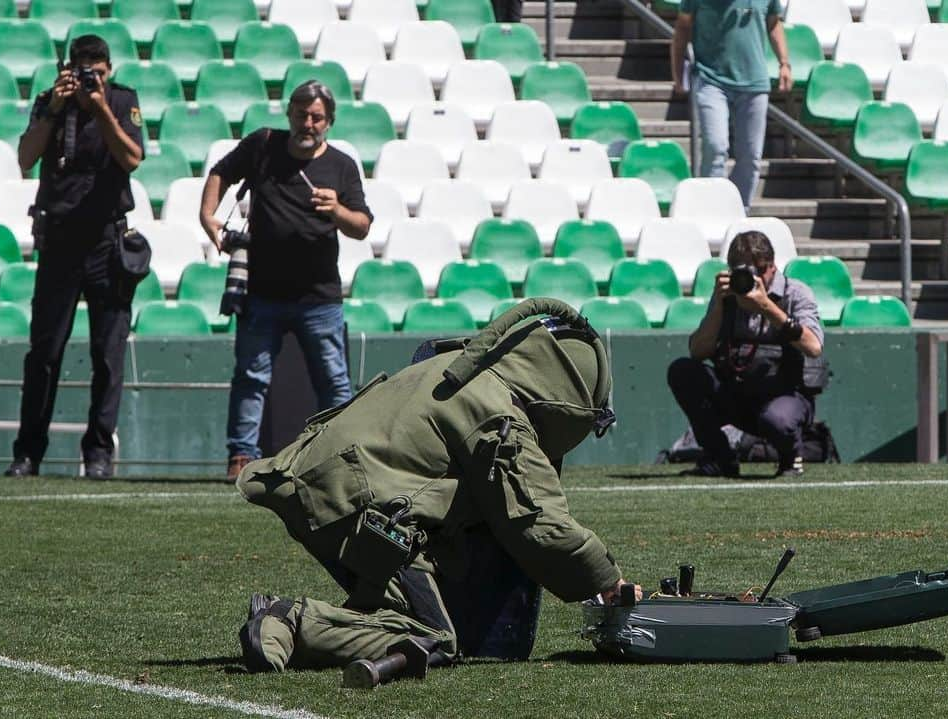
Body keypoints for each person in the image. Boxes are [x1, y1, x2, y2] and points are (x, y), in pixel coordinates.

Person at [233, 298, 643, 675]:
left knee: (409, 604)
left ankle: (347, 620)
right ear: (570, 396)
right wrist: (608, 581)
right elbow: (541, 524)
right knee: (435, 638)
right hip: (355, 503)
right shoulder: (499, 416)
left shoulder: (461, 368)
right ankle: (290, 622)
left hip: (329, 483)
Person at [199, 81, 372, 482]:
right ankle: (242, 456)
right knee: (250, 376)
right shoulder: (263, 144)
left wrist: (337, 211)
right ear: (289, 113)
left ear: (329, 121)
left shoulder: (342, 165)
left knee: (333, 381)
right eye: (300, 114)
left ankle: (342, 454)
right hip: (263, 291)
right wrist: (207, 216)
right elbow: (220, 173)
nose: (307, 123)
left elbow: (362, 226)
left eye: (316, 117)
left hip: (320, 295)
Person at [4, 34, 144, 479]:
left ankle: (98, 451)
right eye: (83, 71)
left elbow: (132, 158)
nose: (90, 79)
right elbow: (25, 158)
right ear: (68, 70)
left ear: (109, 70)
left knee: (108, 354)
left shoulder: (121, 101)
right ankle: (28, 453)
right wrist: (53, 111)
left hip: (107, 242)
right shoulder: (51, 102)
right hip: (60, 242)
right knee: (45, 352)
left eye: (98, 72)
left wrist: (100, 107)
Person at [667, 231, 825, 478]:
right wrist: (718, 307)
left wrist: (767, 307)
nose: (752, 278)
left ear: (772, 267)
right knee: (683, 371)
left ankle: (789, 459)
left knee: (778, 418)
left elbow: (814, 346)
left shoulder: (796, 294)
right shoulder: (728, 296)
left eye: (760, 270)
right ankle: (720, 458)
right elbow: (698, 351)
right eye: (743, 271)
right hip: (737, 394)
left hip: (784, 397)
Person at [671, 0, 792, 208]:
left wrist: (784, 62)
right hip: (711, 79)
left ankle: (739, 212)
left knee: (751, 156)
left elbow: (773, 23)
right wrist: (677, 74)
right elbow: (682, 27)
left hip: (754, 83)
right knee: (716, 146)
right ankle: (712, 208)